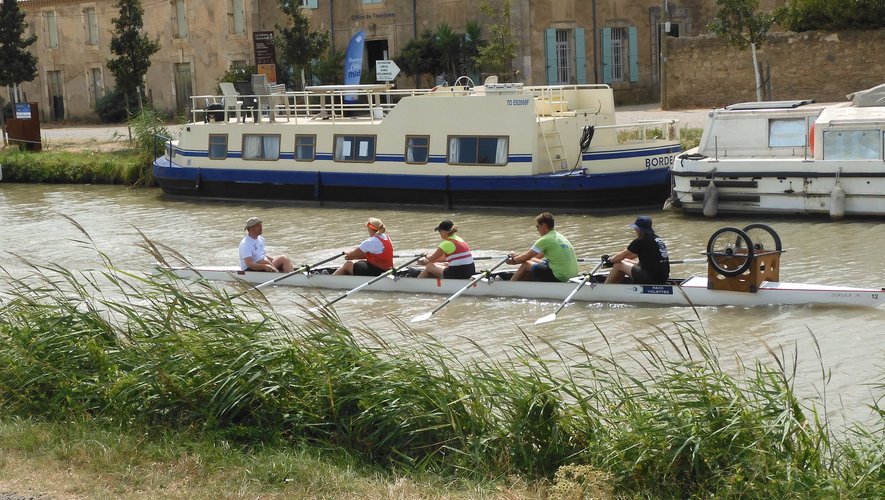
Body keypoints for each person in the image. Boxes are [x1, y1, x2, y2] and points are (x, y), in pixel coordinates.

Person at [506, 212, 579, 282]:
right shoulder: (559, 236)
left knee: (526, 264)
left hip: (560, 276)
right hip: (572, 274)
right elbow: (535, 257)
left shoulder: (545, 240)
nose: (537, 230)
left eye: (537, 226)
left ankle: (509, 287)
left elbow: (525, 258)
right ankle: (526, 283)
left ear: (544, 225)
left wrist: (511, 260)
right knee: (533, 260)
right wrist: (518, 257)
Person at [604, 215, 670, 284]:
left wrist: (609, 261)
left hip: (651, 279)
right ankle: (615, 285)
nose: (635, 230)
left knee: (618, 264)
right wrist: (616, 259)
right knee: (624, 260)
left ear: (639, 229)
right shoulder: (657, 239)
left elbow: (622, 255)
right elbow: (631, 256)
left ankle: (605, 288)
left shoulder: (641, 241)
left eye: (635, 228)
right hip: (663, 278)